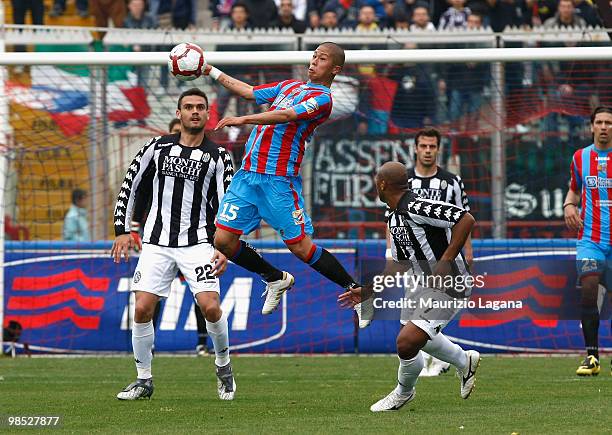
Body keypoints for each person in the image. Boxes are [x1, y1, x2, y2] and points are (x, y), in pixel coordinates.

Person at [205, 42, 362, 316]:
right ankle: (275, 277)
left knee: (301, 248)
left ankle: (356, 290)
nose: (314, 61)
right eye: (313, 56)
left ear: (335, 69)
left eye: (321, 58)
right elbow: (249, 91)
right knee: (223, 241)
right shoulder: (289, 86)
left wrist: (243, 120)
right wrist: (210, 70)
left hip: (278, 182)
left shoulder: (323, 100)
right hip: (247, 177)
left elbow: (287, 115)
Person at [111, 88, 236, 400]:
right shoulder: (156, 147)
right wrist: (122, 229)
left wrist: (224, 246)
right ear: (179, 114)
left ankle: (223, 367)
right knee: (141, 308)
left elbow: (228, 204)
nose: (194, 112)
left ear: (208, 115)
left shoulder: (218, 156)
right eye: (188, 107)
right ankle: (143, 380)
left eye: (200, 107)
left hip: (198, 244)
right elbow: (131, 183)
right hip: (156, 242)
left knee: (211, 307)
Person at [338, 162, 480, 412]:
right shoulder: (392, 214)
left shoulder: (417, 205)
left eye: (376, 180)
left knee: (406, 342)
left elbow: (465, 218)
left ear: (382, 184)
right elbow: (400, 264)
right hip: (421, 282)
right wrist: (369, 290)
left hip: (449, 282)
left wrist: (446, 261)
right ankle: (463, 360)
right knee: (416, 340)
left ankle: (403, 393)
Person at [132, 117, 212, 356]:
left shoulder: (207, 159)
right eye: (176, 132)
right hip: (159, 240)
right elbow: (142, 192)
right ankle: (150, 347)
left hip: (193, 240)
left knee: (202, 296)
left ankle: (202, 344)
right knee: (149, 297)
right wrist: (134, 229)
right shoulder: (159, 156)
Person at [564, 106, 612, 377]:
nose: (604, 127)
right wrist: (568, 206)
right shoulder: (580, 157)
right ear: (591, 126)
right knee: (589, 288)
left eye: (609, 122)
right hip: (590, 240)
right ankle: (592, 357)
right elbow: (573, 190)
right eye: (600, 122)